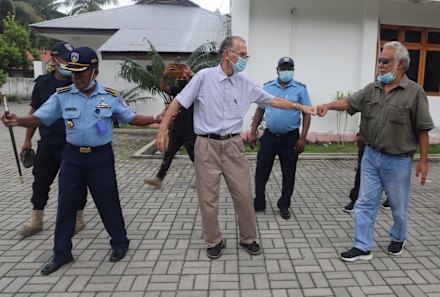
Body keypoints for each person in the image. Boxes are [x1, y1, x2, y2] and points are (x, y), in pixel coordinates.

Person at [1, 47, 162, 275]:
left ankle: (119, 243)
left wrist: (156, 118)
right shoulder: (63, 94)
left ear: (94, 73)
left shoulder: (109, 95)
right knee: (66, 206)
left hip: (101, 158)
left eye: (80, 73)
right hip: (73, 158)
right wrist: (18, 120)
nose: (75, 78)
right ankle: (61, 253)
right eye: (73, 73)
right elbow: (39, 117)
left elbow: (131, 118)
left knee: (109, 203)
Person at [156, 36, 316, 259]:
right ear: (227, 55)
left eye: (246, 55)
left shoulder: (245, 84)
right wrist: (163, 128)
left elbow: (273, 100)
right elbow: (178, 101)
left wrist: (301, 107)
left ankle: (248, 238)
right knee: (208, 199)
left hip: (233, 146)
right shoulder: (204, 77)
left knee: (243, 195)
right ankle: (214, 240)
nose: (244, 59)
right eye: (241, 55)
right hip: (206, 145)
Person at [317, 41, 434, 262]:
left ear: (399, 64)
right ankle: (362, 246)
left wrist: (423, 161)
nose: (379, 65)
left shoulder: (414, 93)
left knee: (398, 207)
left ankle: (399, 236)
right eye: (379, 60)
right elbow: (350, 102)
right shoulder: (373, 88)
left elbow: (423, 128)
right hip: (370, 156)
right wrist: (328, 106)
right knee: (365, 202)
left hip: (398, 160)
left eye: (384, 61)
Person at [16, 42, 88, 238]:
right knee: (40, 182)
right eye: (66, 59)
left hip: (73, 144)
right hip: (48, 143)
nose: (69, 63)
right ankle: (36, 220)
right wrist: (27, 140)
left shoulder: (78, 83)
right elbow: (35, 113)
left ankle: (78, 218)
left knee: (76, 183)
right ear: (55, 60)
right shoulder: (42, 84)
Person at [250, 56, 311, 220]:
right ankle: (259, 201)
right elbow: (259, 110)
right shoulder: (268, 87)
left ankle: (284, 204)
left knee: (288, 173)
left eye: (289, 69)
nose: (286, 72)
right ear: (277, 70)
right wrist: (252, 131)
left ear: (293, 70)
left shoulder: (300, 89)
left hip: (290, 138)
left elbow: (307, 114)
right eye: (283, 68)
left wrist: (303, 138)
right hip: (269, 136)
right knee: (261, 170)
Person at [145, 63, 196, 189]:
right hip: (176, 130)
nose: (181, 81)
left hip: (190, 131)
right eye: (179, 79)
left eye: (183, 79)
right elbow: (164, 88)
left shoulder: (194, 91)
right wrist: (164, 76)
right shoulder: (177, 91)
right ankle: (159, 178)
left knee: (194, 157)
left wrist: (190, 74)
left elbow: (200, 83)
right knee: (168, 155)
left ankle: (201, 179)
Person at [343, 134, 390, 213]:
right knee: (361, 171)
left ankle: (391, 199)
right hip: (367, 140)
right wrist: (359, 135)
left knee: (388, 170)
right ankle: (356, 199)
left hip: (389, 141)